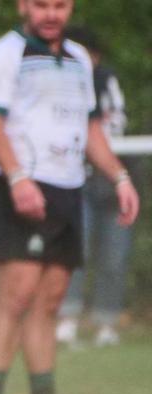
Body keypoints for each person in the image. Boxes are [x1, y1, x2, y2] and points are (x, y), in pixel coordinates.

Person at [0, 0, 139, 394]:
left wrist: (119, 177)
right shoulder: (5, 53)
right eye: (42, 4)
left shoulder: (80, 58)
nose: (52, 13)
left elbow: (90, 129)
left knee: (50, 297)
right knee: (17, 292)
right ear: (23, 6)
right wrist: (17, 178)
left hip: (68, 186)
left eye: (60, 5)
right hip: (23, 185)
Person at [55, 26, 136, 348]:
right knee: (75, 250)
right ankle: (67, 319)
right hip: (74, 179)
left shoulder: (105, 79)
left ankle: (106, 322)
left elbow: (116, 121)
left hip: (108, 181)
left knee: (113, 257)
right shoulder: (57, 82)